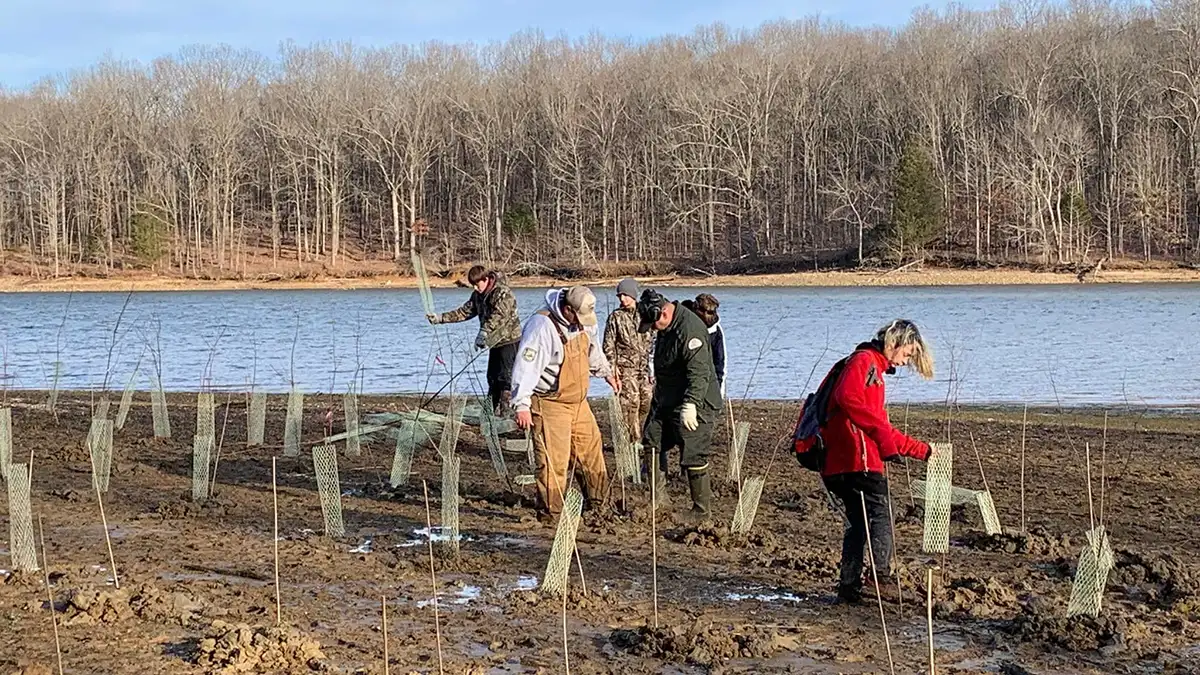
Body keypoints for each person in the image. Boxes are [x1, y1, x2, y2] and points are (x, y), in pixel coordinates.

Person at [796, 319, 935, 605]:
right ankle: (879, 579)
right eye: (908, 353)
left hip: (839, 461)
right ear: (894, 342)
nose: (907, 361)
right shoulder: (866, 362)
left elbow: (879, 426)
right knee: (882, 510)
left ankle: (848, 587)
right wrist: (884, 441)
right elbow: (848, 399)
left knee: (857, 522)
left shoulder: (870, 368)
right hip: (855, 460)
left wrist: (922, 450)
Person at [510, 286, 621, 520]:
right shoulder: (541, 327)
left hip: (579, 402)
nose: (584, 323)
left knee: (591, 451)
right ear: (567, 309)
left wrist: (607, 373)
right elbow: (525, 367)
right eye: (579, 318)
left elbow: (593, 350)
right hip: (549, 402)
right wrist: (521, 404)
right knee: (554, 460)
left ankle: (598, 505)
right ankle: (552, 512)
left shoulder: (587, 320)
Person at [637, 289, 721, 520]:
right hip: (666, 399)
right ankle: (659, 500)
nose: (652, 330)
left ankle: (700, 511)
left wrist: (691, 404)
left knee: (693, 453)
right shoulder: (666, 326)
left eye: (653, 324)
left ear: (663, 313)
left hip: (698, 401)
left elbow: (699, 372)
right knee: (652, 441)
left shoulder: (690, 329)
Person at [427, 265, 521, 415]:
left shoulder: (503, 293)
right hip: (494, 343)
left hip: (509, 341)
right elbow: (465, 312)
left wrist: (483, 332)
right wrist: (440, 318)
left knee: (505, 378)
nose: (476, 288)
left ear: (486, 279)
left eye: (477, 284)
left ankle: (507, 413)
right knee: (492, 377)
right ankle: (490, 414)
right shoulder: (478, 295)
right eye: (473, 285)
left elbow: (498, 316)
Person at [602, 278, 655, 445]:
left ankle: (642, 435)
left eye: (625, 295)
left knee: (647, 401)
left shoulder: (646, 314)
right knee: (630, 404)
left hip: (645, 368)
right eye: (619, 296)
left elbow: (655, 341)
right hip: (626, 368)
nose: (622, 299)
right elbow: (608, 345)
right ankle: (633, 441)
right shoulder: (615, 317)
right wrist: (612, 368)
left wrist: (654, 369)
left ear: (633, 294)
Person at [684, 293, 726, 398]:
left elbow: (720, 363)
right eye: (706, 311)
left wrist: (719, 393)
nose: (709, 316)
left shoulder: (716, 332)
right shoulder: (683, 323)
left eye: (712, 312)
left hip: (707, 378)